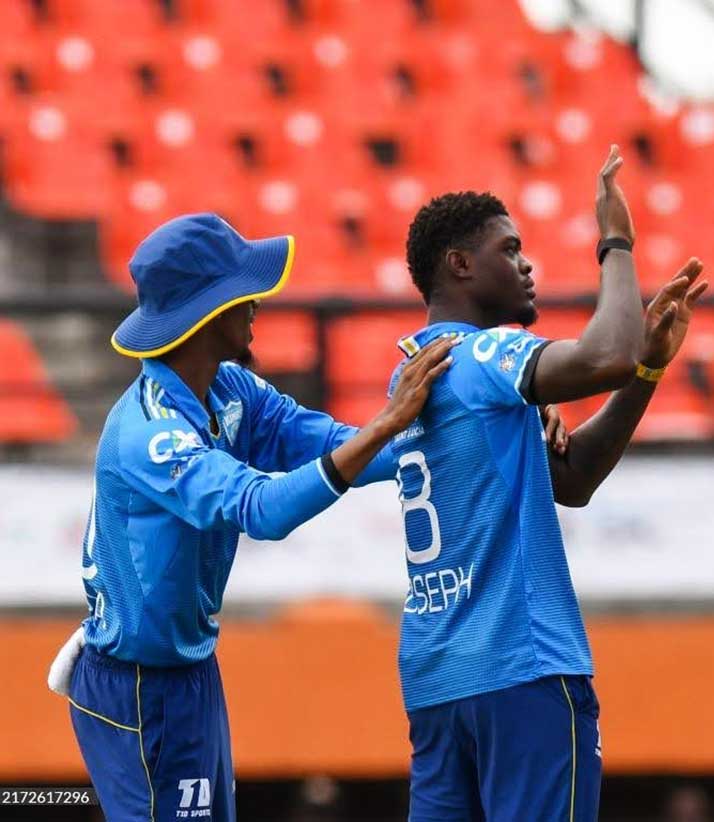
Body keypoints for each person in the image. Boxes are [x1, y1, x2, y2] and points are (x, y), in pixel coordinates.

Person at [58, 213, 452, 822]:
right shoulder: (148, 434)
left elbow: (325, 440)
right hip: (136, 688)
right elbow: (261, 510)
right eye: (246, 292)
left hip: (189, 673)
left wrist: (457, 435)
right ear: (208, 314)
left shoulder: (231, 388)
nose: (258, 302)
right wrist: (387, 425)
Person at [392, 146, 707, 821]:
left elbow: (573, 479)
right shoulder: (484, 355)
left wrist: (647, 371)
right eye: (510, 249)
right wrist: (616, 241)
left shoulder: (418, 371)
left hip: (439, 676)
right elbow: (606, 354)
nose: (527, 263)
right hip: (521, 664)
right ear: (461, 265)